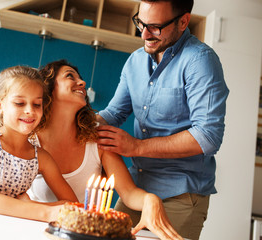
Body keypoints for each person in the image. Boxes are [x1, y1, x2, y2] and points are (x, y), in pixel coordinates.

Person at [0, 60, 182, 240]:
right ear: (49, 89)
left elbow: (117, 196)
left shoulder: (82, 145)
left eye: (35, 104)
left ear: (41, 101)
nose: (82, 83)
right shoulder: (16, 135)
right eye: (70, 76)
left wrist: (151, 200)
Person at [95, 0, 229, 240]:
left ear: (183, 21)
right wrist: (82, 122)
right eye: (141, 23)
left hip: (180, 195)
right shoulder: (135, 61)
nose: (144, 34)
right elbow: (115, 113)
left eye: (155, 27)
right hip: (137, 190)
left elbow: (208, 137)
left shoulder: (201, 61)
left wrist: (136, 147)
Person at [0, 65, 78, 222]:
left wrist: (32, 204)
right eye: (20, 103)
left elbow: (73, 204)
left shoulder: (41, 157)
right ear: (0, 105)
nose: (30, 111)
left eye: (37, 104)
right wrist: (47, 213)